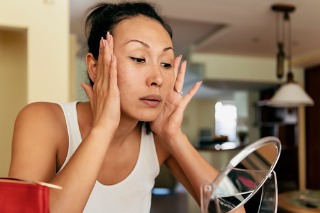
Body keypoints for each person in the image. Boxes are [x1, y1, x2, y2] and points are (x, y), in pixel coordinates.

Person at [8, 2, 219, 212]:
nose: (157, 78)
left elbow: (233, 209)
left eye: (166, 63)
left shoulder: (159, 140)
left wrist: (174, 136)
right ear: (95, 67)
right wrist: (102, 129)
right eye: (138, 58)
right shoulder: (43, 121)